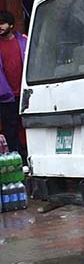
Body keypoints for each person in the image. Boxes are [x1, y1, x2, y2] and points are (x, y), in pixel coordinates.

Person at [0, 11, 27, 160]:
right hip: (5, 96)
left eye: (2, 23)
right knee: (10, 130)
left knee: (28, 127)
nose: (0, 27)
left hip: (26, 94)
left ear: (11, 25)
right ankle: (17, 160)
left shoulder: (23, 41)